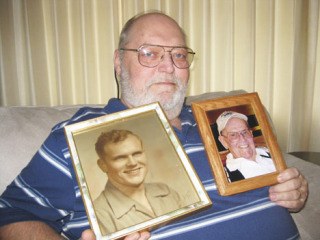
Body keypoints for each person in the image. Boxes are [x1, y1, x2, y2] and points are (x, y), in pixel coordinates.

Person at [0, 11, 308, 240]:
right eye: (150, 53)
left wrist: (295, 190)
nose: (169, 66)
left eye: (179, 55)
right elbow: (9, 215)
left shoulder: (220, 120)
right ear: (119, 62)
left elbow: (273, 177)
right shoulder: (76, 137)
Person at [93, 130, 182, 235]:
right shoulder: (98, 214)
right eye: (120, 158)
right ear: (102, 165)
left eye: (136, 154)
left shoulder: (166, 191)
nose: (133, 163)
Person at [216, 111, 276, 182]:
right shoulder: (227, 178)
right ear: (223, 141)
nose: (242, 139)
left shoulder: (272, 153)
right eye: (233, 135)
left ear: (251, 134)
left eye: (244, 132)